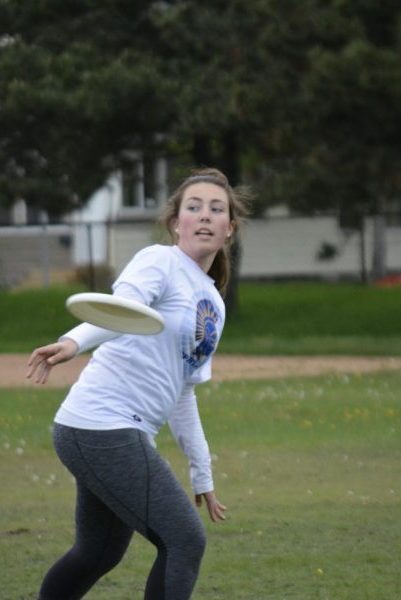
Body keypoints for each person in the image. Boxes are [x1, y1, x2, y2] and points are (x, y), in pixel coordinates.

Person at [27, 167, 249, 600]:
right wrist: (74, 341)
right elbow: (120, 311)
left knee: (98, 554)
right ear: (175, 222)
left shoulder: (214, 304)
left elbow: (183, 390)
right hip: (99, 425)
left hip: (112, 432)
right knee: (186, 539)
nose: (205, 215)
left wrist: (202, 474)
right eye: (194, 207)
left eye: (216, 209)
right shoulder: (159, 261)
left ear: (230, 229)